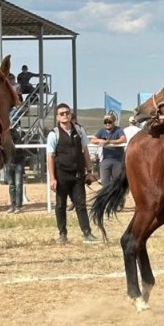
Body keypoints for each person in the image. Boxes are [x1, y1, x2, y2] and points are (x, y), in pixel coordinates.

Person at [47, 103, 97, 243]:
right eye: (61, 113)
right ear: (57, 117)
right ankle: (62, 234)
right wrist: (52, 178)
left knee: (80, 204)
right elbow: (50, 156)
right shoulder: (53, 134)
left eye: (67, 112)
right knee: (60, 205)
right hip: (61, 175)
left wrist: (89, 171)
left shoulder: (80, 131)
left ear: (70, 114)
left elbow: (85, 151)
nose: (65, 115)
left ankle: (87, 233)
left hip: (78, 174)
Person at [91, 113, 126, 189]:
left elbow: (123, 139)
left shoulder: (118, 129)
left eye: (109, 122)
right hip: (105, 159)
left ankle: (117, 198)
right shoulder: (101, 131)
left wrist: (109, 141)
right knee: (104, 180)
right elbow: (92, 140)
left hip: (118, 160)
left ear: (113, 122)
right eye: (105, 122)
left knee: (117, 181)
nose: (107, 124)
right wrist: (101, 140)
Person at [2, 127, 27, 213]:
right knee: (11, 184)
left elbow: (17, 145)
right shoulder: (2, 133)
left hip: (18, 161)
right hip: (9, 162)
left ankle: (18, 205)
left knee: (18, 184)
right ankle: (12, 204)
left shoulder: (17, 133)